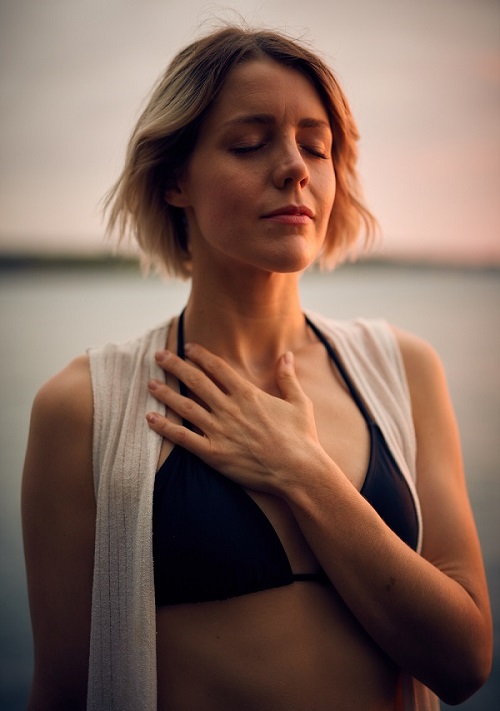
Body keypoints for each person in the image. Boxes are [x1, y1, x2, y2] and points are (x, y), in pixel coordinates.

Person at [22, 25, 492, 711]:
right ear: (176, 178)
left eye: (316, 145)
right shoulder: (84, 409)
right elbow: (62, 691)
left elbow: (465, 662)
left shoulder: (405, 370)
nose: (295, 167)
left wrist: (300, 468)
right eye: (250, 142)